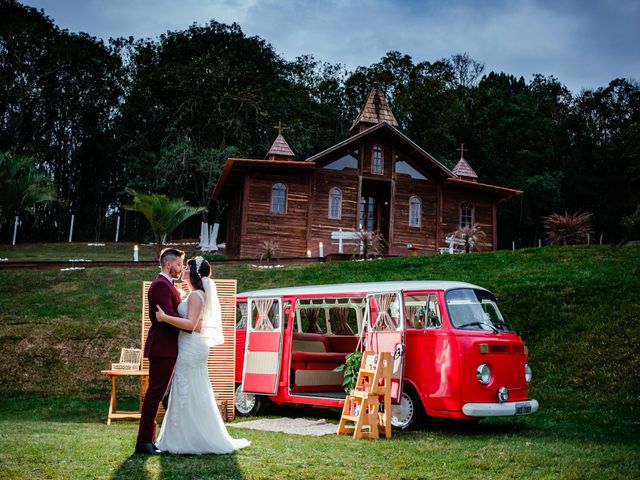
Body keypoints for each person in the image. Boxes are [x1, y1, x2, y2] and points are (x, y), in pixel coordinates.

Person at [155, 256, 250, 454]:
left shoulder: (197, 296)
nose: (183, 270)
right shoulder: (195, 295)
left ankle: (188, 439)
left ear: (194, 273)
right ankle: (184, 436)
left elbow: (190, 325)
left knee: (187, 388)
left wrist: (164, 318)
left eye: (187, 267)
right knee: (188, 388)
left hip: (191, 348)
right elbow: (197, 324)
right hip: (190, 346)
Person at [135, 248, 186, 455]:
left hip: (167, 347)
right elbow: (169, 317)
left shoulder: (167, 286)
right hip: (162, 347)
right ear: (168, 264)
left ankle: (152, 439)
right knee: (155, 393)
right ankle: (144, 441)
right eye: (179, 264)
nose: (181, 269)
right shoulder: (160, 286)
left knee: (159, 394)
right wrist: (192, 324)